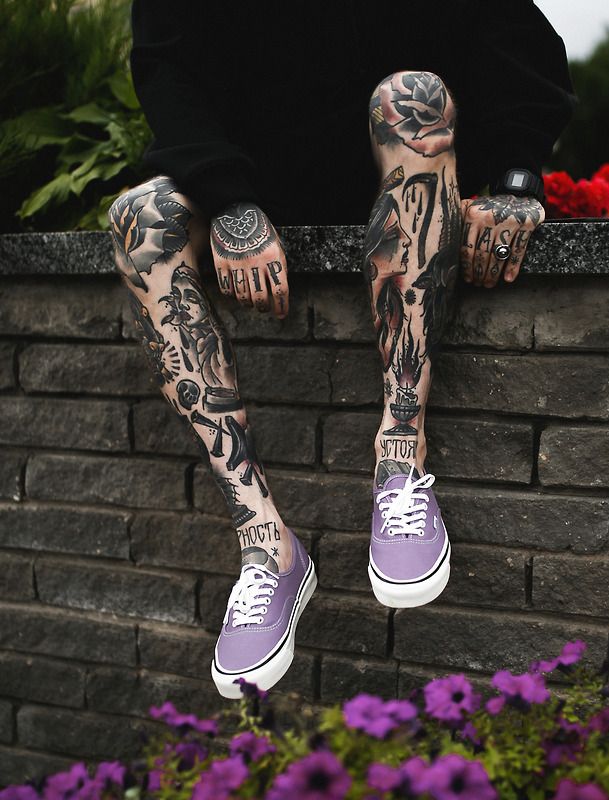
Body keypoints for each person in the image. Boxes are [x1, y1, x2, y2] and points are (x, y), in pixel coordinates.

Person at [108, 1, 575, 697]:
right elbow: (167, 65)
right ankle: (268, 550)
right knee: (139, 219)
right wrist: (229, 201)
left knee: (414, 95)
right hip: (250, 183)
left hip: (401, 173)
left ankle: (400, 464)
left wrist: (515, 177)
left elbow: (512, 33)